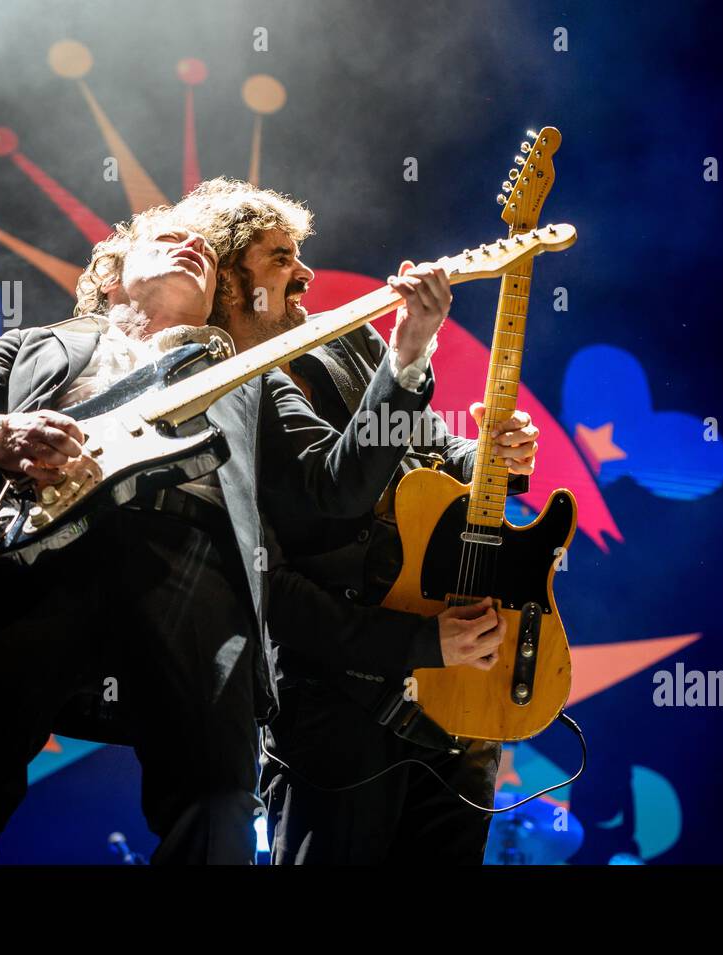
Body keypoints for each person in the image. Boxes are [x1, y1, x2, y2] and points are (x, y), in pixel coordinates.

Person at [0, 195, 452, 864]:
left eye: (206, 252)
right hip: (26, 558)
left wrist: (408, 355)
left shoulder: (248, 377)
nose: (192, 247)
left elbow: (334, 489)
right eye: (169, 239)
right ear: (112, 276)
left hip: (191, 566)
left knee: (219, 800)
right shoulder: (39, 345)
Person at [171, 178, 541, 863]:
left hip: (453, 683)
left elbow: (429, 447)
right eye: (280, 258)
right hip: (342, 705)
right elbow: (320, 509)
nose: (305, 272)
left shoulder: (342, 342)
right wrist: (407, 357)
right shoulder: (224, 384)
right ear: (227, 280)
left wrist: (492, 454)